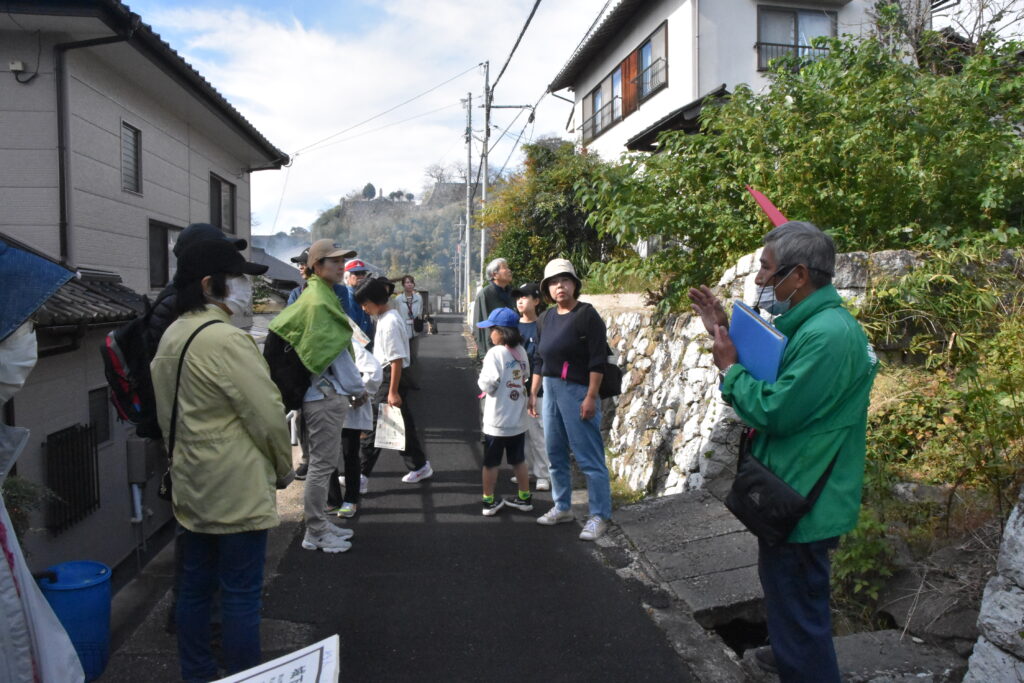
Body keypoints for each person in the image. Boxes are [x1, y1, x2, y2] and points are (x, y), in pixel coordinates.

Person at [688, 221, 878, 682]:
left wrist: (730, 370)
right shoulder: (813, 325)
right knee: (790, 602)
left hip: (805, 498)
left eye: (767, 269)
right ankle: (790, 653)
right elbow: (777, 380)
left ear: (798, 276)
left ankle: (803, 666)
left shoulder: (827, 335)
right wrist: (722, 330)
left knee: (800, 611)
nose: (759, 280)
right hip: (796, 489)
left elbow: (775, 409)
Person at [150, 240, 294, 682]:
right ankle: (242, 676)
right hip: (236, 487)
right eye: (239, 279)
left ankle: (196, 673)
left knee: (193, 589)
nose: (248, 287)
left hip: (192, 484)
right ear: (211, 285)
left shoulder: (172, 334)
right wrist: (284, 468)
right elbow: (267, 414)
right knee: (240, 595)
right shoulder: (228, 340)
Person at [269, 239, 362, 553]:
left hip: (317, 394)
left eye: (343, 260)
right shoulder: (320, 302)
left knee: (323, 465)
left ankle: (321, 524)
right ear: (317, 266)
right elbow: (338, 357)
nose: (341, 265)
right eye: (334, 261)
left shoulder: (315, 296)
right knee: (322, 467)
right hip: (322, 396)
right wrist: (359, 391)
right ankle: (315, 531)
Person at [528, 259, 613, 542]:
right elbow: (540, 359)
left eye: (564, 280)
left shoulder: (587, 315)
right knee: (555, 453)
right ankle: (562, 506)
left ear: (574, 284)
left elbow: (598, 361)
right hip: (550, 390)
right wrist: (533, 392)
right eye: (553, 282)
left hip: (578, 390)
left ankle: (599, 515)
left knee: (589, 457)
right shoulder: (545, 318)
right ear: (547, 289)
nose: (559, 286)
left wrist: (591, 397)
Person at [354, 276, 433, 484]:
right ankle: (419, 466)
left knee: (375, 424)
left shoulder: (389, 322)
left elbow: (396, 359)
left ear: (374, 300)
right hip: (389, 376)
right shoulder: (386, 317)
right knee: (399, 425)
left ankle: (360, 475)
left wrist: (392, 391)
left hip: (391, 377)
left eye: (365, 304)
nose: (364, 309)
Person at [475, 307, 533, 516]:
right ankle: (524, 498)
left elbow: (487, 384)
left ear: (501, 331)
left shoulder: (495, 353)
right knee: (519, 460)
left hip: (497, 420)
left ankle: (488, 500)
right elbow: (525, 374)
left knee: (491, 462)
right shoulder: (521, 350)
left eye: (492, 329)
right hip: (517, 418)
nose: (490, 333)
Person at [512, 282, 550, 491]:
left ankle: (543, 474)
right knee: (521, 434)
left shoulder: (542, 325)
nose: (520, 301)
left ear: (536, 301)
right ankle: (525, 470)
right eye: (518, 297)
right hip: (515, 390)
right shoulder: (513, 326)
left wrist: (533, 392)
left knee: (538, 434)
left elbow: (540, 361)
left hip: (537, 390)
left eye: (525, 297)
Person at [472, 257, 514, 356]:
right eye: (505, 268)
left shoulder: (512, 292)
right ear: (495, 275)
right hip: (492, 349)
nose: (509, 270)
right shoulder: (485, 294)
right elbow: (479, 324)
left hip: (512, 347)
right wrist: (483, 354)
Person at [397, 274, 424, 388]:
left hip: (415, 331)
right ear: (403, 285)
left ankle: (414, 382)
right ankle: (403, 381)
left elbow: (420, 314)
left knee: (414, 356)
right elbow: (397, 315)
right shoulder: (398, 299)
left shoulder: (419, 298)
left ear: (414, 284)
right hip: (403, 332)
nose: (409, 284)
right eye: (407, 282)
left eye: (411, 282)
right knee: (403, 357)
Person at [342, 259, 374, 338]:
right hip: (358, 344)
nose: (361, 276)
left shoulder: (362, 295)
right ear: (347, 277)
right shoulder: (347, 297)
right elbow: (351, 326)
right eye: (356, 273)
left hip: (367, 340)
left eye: (363, 273)